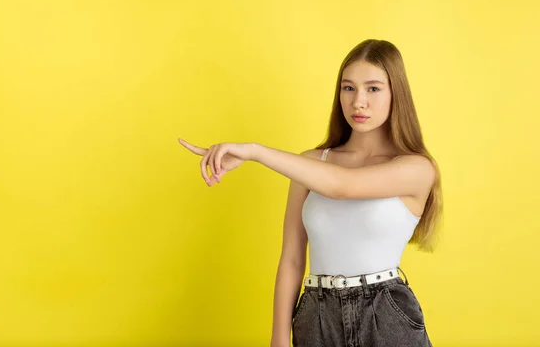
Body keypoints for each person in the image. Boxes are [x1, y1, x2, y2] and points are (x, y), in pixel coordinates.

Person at [178, 39, 442, 347]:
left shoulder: (417, 169)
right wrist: (279, 337)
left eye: (373, 88)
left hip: (384, 314)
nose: (358, 102)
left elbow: (344, 186)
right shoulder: (310, 164)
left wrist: (254, 151)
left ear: (396, 93)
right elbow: (291, 258)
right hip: (315, 314)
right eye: (348, 88)